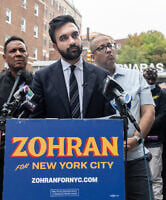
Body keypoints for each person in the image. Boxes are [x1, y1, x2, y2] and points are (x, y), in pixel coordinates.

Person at [90, 35, 155, 200]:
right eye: (101, 47)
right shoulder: (87, 81)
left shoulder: (135, 77)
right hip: (99, 162)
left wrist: (136, 139)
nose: (109, 49)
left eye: (110, 45)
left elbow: (149, 112)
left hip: (135, 159)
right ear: (92, 56)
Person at [31, 15, 114, 119]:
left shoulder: (101, 76)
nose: (72, 41)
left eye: (75, 35)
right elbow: (34, 120)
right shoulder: (42, 78)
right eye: (64, 38)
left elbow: (110, 120)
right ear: (55, 47)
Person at [0, 36, 32, 200]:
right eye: (13, 51)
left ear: (27, 55)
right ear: (5, 57)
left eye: (22, 50)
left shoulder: (38, 83)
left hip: (32, 154)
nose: (18, 54)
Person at [143, 68, 166, 200]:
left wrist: (145, 126)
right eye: (147, 78)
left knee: (154, 176)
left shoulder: (162, 94)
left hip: (154, 140)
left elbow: (163, 114)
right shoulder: (139, 91)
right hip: (138, 141)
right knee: (140, 177)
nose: (150, 80)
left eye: (152, 78)